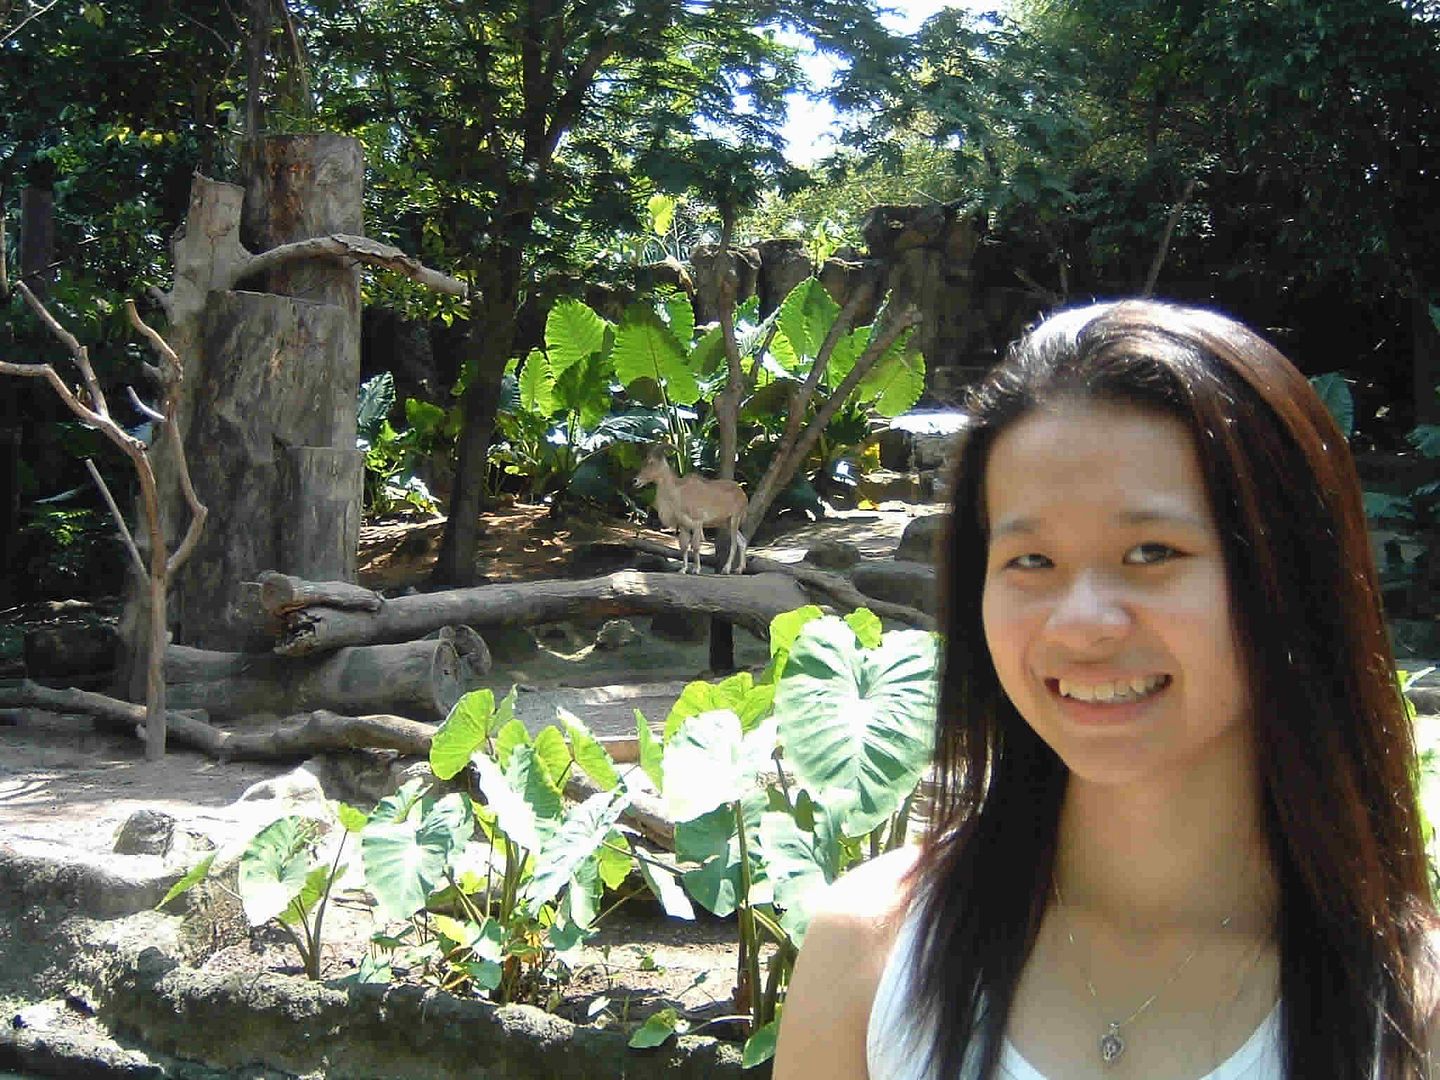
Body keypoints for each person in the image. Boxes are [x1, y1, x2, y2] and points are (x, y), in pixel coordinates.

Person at [773, 300, 1440, 1080]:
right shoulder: (870, 954)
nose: (1080, 623)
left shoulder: (1410, 1014)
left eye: (1151, 551)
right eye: (1031, 561)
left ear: (1293, 578)